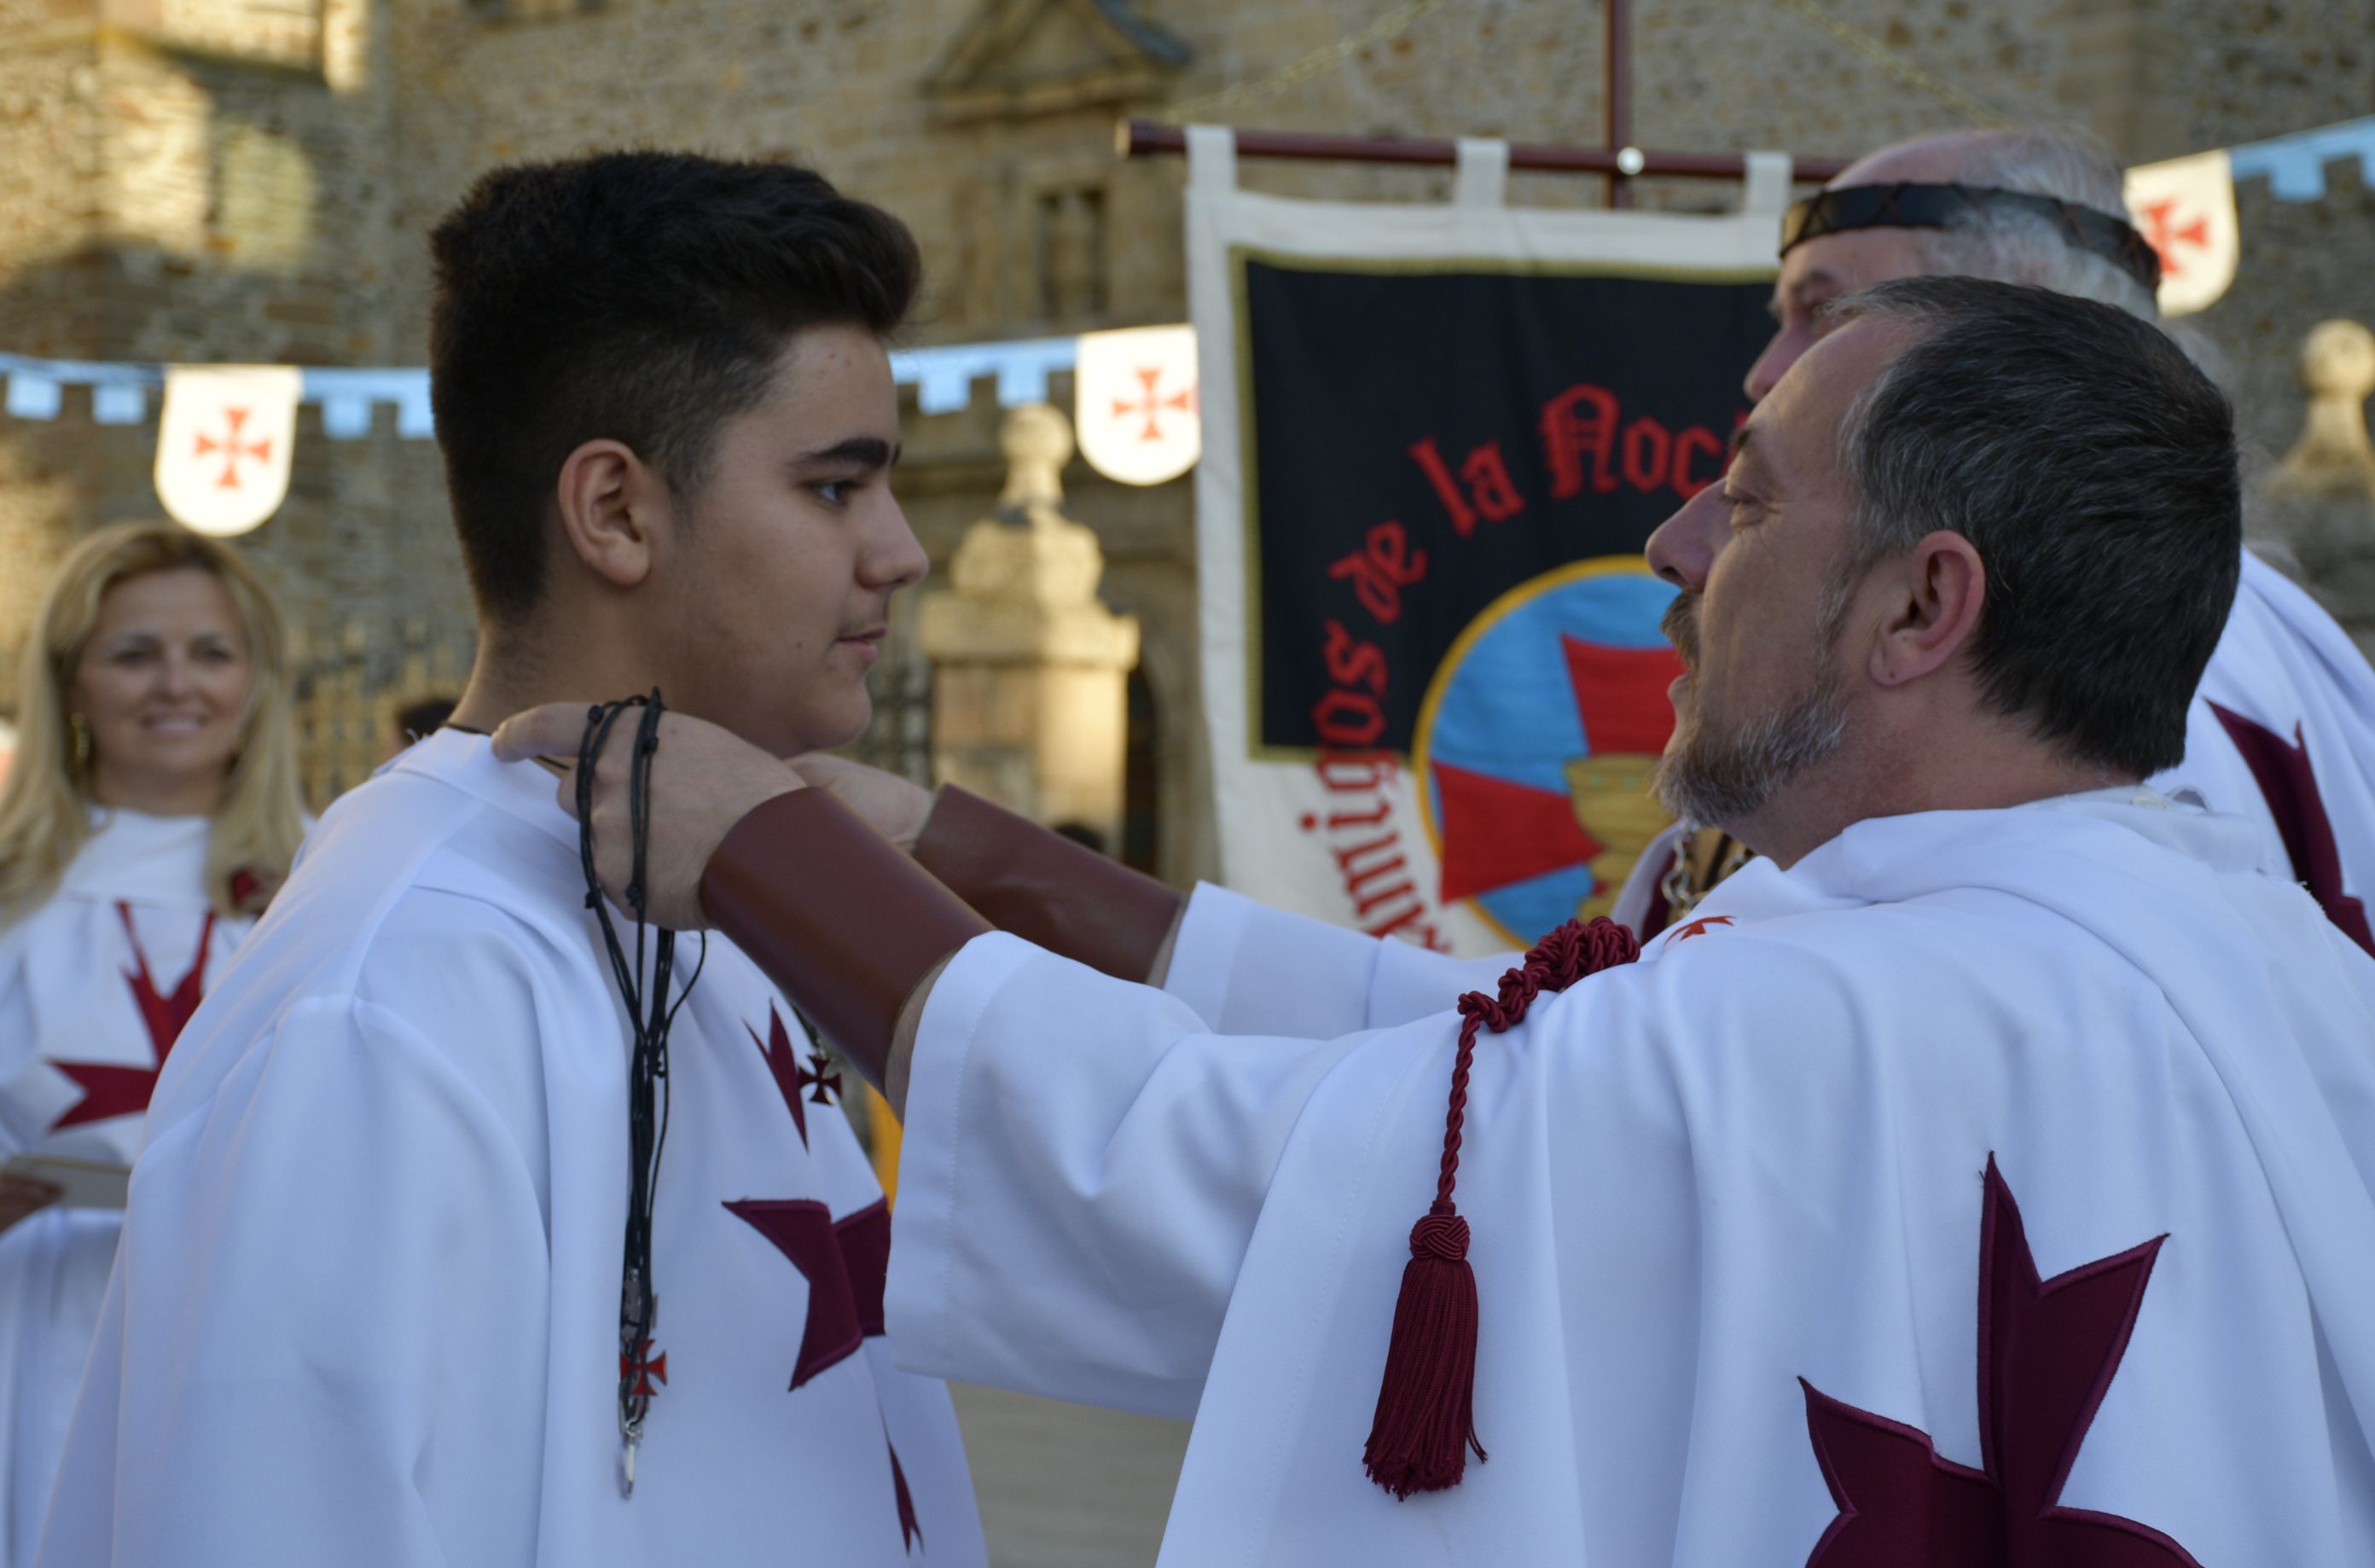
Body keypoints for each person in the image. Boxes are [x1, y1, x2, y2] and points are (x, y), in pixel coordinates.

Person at [508, 279, 2375, 1562]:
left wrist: (761, 849)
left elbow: (1252, 1192)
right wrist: (960, 847)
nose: (1673, 547)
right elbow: (1476, 1058)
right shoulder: (2250, 949)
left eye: (1748, 495)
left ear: (1917, 609)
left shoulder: (1836, 1014)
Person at [37, 154, 985, 1567]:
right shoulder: (392, 990)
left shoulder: (700, 873)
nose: (899, 553)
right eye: (835, 487)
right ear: (612, 511)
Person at [1605, 126, 2375, 944]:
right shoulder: (2260, 635)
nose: (1765, 370)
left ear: (2006, 322)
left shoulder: (2101, 650)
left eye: (1826, 311)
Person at [0, 522, 305, 1567]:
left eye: (212, 653)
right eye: (134, 653)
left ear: (258, 679)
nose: (177, 684)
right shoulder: (10, 891)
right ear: (71, 682)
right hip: (39, 1321)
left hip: (260, 1326)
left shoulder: (333, 883)